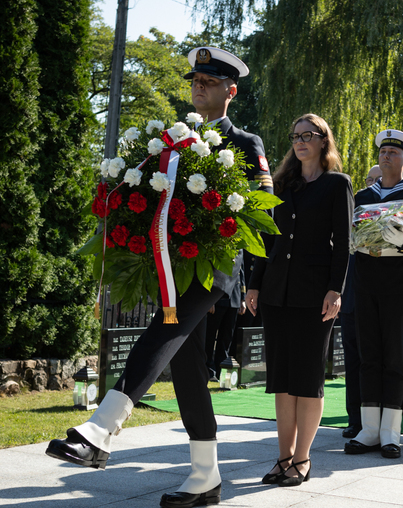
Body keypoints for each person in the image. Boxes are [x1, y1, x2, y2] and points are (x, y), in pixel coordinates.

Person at [46, 46, 273, 508]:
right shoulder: (174, 140)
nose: (199, 87)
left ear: (230, 91)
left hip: (214, 272)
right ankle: (205, 477)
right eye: (195, 81)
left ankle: (100, 429)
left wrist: (257, 281)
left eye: (209, 83)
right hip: (173, 265)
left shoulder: (246, 144)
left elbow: (260, 215)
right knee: (188, 372)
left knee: (163, 330)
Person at [245, 113, 353, 486]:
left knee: (307, 379)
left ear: (324, 141)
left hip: (315, 295)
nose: (301, 141)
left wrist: (336, 289)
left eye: (309, 135)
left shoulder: (338, 184)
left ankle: (302, 460)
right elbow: (266, 240)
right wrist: (255, 284)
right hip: (277, 291)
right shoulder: (279, 184)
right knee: (281, 379)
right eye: (295, 136)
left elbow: (344, 245)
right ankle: (282, 458)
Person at [344, 130, 403, 459]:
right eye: (382, 151)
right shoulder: (364, 195)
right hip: (366, 280)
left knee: (394, 355)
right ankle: (369, 429)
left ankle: (390, 432)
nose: (386, 156)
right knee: (369, 354)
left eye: (393, 152)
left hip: (398, 282)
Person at [340, 165, 382, 439]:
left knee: (380, 361)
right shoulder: (351, 215)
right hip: (351, 302)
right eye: (370, 181)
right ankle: (355, 419)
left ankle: (380, 421)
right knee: (354, 362)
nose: (374, 186)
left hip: (383, 303)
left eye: (380, 181)